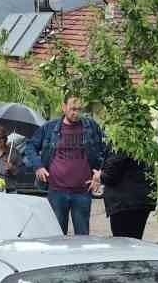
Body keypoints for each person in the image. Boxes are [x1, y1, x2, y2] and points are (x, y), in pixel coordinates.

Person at [24, 100, 106, 235]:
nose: (76, 113)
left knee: (83, 238)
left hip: (83, 192)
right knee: (56, 237)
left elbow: (108, 149)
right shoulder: (50, 128)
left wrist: (100, 173)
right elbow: (30, 146)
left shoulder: (91, 126)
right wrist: (38, 166)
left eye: (79, 109)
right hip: (56, 191)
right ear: (63, 107)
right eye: (73, 109)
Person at [100, 147, 157, 239]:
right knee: (135, 241)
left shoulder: (121, 139)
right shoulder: (141, 137)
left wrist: (100, 175)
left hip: (125, 202)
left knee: (123, 244)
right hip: (141, 198)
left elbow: (111, 175)